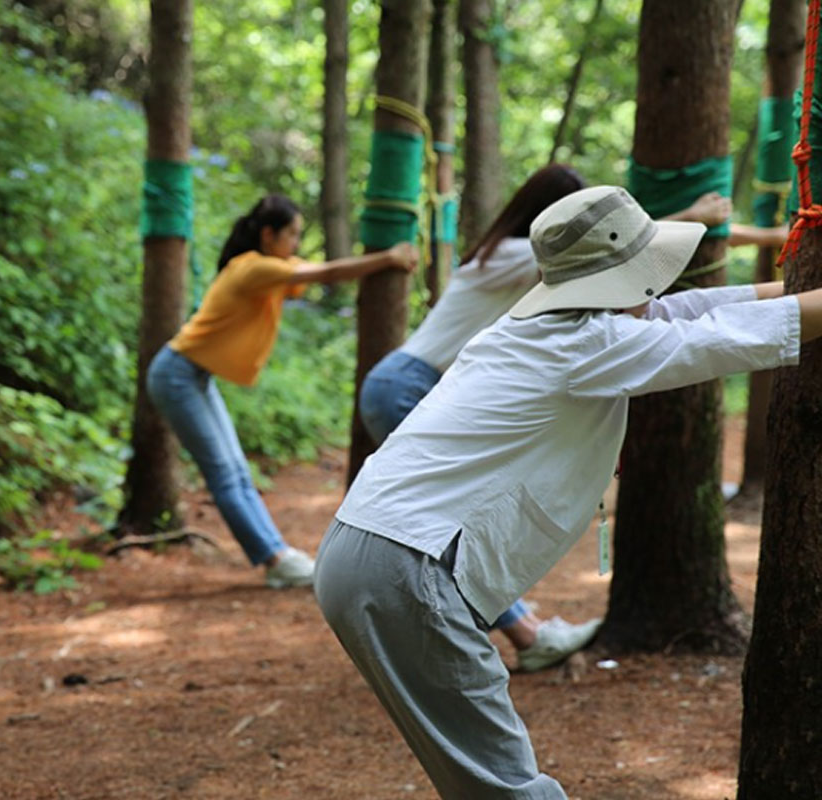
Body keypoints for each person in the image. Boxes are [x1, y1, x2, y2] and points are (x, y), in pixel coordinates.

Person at [314, 185, 816, 799]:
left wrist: (789, 288)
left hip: (368, 549)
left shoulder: (546, 325)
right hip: (406, 566)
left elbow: (691, 313)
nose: (655, 290)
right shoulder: (583, 346)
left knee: (483, 780)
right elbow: (717, 340)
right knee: (504, 785)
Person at [357, 166, 736, 672]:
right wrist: (693, 216)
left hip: (409, 382)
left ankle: (503, 622)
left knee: (453, 511)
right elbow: (610, 251)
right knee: (450, 516)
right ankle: (523, 632)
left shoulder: (495, 256)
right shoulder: (507, 257)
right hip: (406, 383)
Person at [147, 194, 418, 588]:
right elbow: (326, 273)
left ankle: (277, 555)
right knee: (224, 474)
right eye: (291, 235)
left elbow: (310, 272)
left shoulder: (266, 268)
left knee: (237, 470)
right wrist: (387, 258)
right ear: (268, 234)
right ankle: (274, 559)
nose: (295, 243)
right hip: (176, 375)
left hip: (193, 376)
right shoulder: (253, 268)